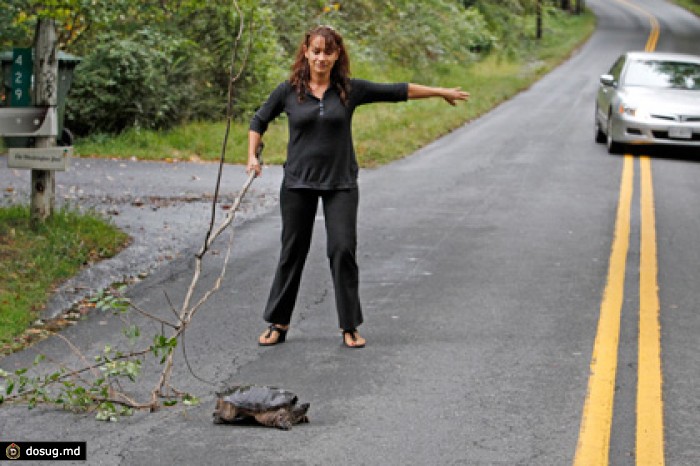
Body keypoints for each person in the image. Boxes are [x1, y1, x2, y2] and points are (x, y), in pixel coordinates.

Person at [247, 25, 469, 349]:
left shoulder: (349, 90)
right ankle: (278, 323)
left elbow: (397, 91)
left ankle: (349, 325)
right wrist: (252, 155)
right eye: (316, 51)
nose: (321, 58)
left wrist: (440, 92)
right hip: (298, 184)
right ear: (306, 53)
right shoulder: (289, 91)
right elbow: (259, 120)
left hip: (341, 183)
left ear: (338, 55)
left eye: (328, 52)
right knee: (292, 251)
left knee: (342, 249)